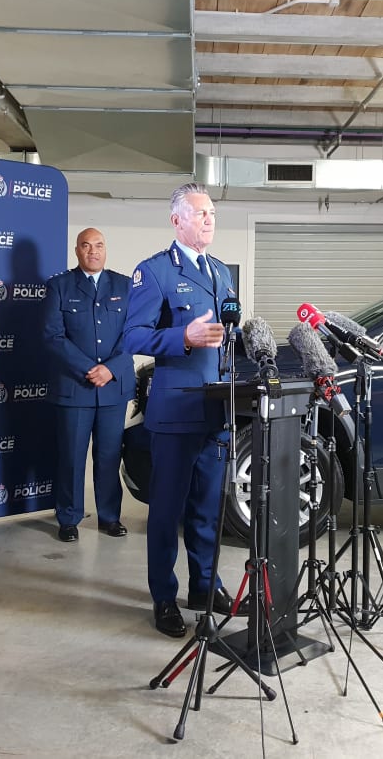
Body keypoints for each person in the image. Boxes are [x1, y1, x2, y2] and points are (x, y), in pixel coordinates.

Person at [122, 182, 238, 638]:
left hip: (217, 410)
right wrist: (181, 338)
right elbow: (132, 337)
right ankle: (164, 596)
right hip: (175, 412)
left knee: (208, 508)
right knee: (167, 511)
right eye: (200, 213)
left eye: (211, 212)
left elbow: (229, 331)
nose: (209, 219)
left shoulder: (220, 273)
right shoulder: (153, 273)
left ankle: (205, 586)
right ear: (177, 221)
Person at [44, 228, 135, 543]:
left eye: (98, 245)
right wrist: (89, 369)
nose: (93, 251)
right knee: (71, 457)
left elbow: (135, 333)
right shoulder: (59, 286)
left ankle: (109, 517)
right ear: (77, 250)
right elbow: (53, 336)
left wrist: (109, 369)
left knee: (109, 455)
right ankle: (68, 518)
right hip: (74, 388)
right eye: (86, 245)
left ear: (105, 250)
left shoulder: (125, 286)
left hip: (113, 388)